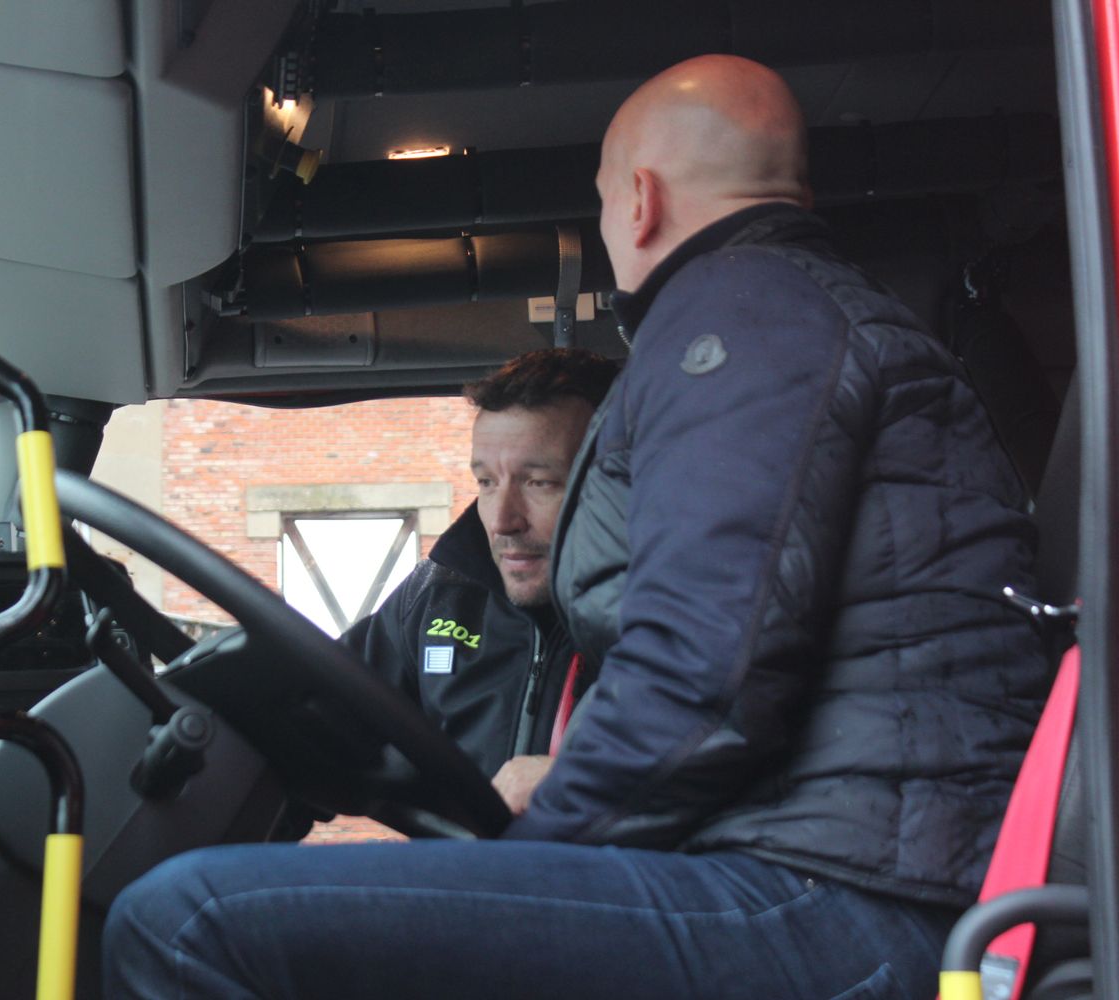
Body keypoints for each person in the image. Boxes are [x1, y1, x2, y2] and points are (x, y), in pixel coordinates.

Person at [104, 55, 1050, 1000]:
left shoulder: (740, 317)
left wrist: (537, 835)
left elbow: (702, 672)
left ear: (637, 200)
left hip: (838, 903)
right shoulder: (806, 316)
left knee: (184, 918)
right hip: (854, 878)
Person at [338, 348, 617, 799]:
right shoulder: (439, 597)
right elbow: (326, 704)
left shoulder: (669, 613)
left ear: (614, 485)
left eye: (538, 482)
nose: (502, 520)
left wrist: (589, 779)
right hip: (465, 862)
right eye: (486, 482)